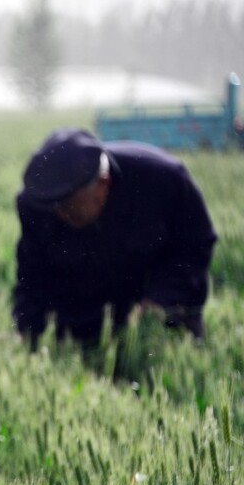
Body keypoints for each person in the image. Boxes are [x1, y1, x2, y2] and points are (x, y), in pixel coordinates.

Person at [12, 127, 217, 349]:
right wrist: (27, 333)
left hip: (162, 311)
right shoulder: (38, 202)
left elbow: (195, 244)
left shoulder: (163, 179)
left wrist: (160, 299)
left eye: (69, 206)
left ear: (104, 184)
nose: (60, 214)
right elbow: (32, 275)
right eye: (55, 207)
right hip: (83, 321)